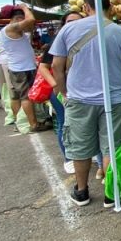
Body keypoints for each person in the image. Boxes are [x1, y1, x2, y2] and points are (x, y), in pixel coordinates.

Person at [50, 0, 121, 207]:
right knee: (112, 146)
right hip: (116, 100)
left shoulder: (68, 29)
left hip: (79, 100)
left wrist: (65, 93)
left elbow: (56, 66)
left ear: (85, 7)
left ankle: (81, 192)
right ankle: (111, 193)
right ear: (111, 7)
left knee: (79, 148)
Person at [38, 11, 84, 173]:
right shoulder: (57, 43)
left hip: (83, 90)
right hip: (62, 92)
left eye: (78, 21)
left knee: (83, 124)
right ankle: (69, 158)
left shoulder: (89, 40)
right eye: (69, 22)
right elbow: (43, 67)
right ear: (63, 25)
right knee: (65, 123)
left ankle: (85, 153)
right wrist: (57, 85)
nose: (74, 25)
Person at [0, 4, 46, 132]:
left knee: (18, 96)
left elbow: (30, 25)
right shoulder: (11, 28)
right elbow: (31, 20)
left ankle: (21, 122)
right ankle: (33, 124)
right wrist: (24, 8)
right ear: (18, 19)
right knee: (25, 97)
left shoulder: (17, 31)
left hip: (22, 67)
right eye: (23, 19)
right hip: (20, 69)